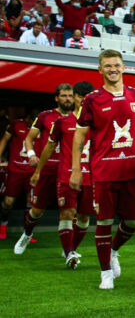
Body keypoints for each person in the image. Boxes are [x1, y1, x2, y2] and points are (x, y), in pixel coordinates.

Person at [71, 50, 135, 290]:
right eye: (107, 66)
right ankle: (105, 273)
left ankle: (113, 250)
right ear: (100, 70)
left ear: (123, 67)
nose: (112, 69)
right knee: (104, 221)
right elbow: (79, 137)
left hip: (131, 170)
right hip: (103, 170)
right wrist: (76, 169)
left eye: (116, 65)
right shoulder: (91, 100)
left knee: (134, 221)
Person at [32, 81, 95, 268]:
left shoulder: (98, 122)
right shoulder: (61, 122)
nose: (84, 101)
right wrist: (38, 171)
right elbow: (50, 146)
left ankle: (71, 248)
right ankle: (69, 254)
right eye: (81, 97)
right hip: (66, 175)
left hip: (90, 177)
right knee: (67, 213)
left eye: (87, 98)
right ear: (75, 98)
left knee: (84, 218)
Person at [12, 84, 74, 255]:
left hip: (67, 170)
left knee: (69, 212)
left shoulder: (78, 118)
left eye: (70, 95)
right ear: (56, 98)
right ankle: (27, 234)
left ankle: (69, 250)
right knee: (37, 210)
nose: (67, 99)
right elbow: (29, 138)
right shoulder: (45, 116)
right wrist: (31, 155)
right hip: (46, 169)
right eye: (64, 96)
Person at [0, 113, 35, 242]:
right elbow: (5, 139)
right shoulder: (16, 125)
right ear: (28, 118)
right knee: (8, 202)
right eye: (32, 120)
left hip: (32, 171)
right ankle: (3, 224)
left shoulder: (43, 127)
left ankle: (27, 233)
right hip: (15, 169)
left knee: (31, 202)